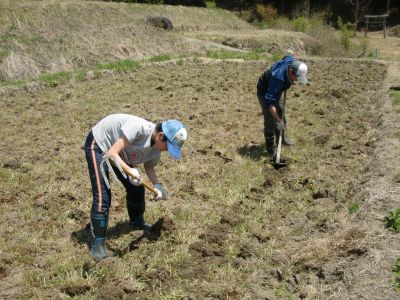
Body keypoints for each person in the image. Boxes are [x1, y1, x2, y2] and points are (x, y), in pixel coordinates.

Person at [84, 114, 188, 261]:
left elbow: (149, 166)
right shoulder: (138, 128)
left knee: (137, 188)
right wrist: (130, 170)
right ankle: (97, 243)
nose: (166, 150)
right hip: (100, 144)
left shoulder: (156, 150)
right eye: (168, 145)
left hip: (119, 153)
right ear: (160, 135)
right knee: (103, 195)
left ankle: (136, 222)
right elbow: (111, 153)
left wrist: (157, 186)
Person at [256, 55, 308, 157]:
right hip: (265, 91)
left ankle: (282, 138)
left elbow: (287, 57)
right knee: (270, 120)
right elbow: (269, 103)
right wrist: (278, 120)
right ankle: (271, 148)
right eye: (297, 78)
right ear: (291, 72)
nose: (297, 80)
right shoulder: (278, 80)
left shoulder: (291, 63)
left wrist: (280, 119)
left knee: (281, 114)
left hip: (276, 91)